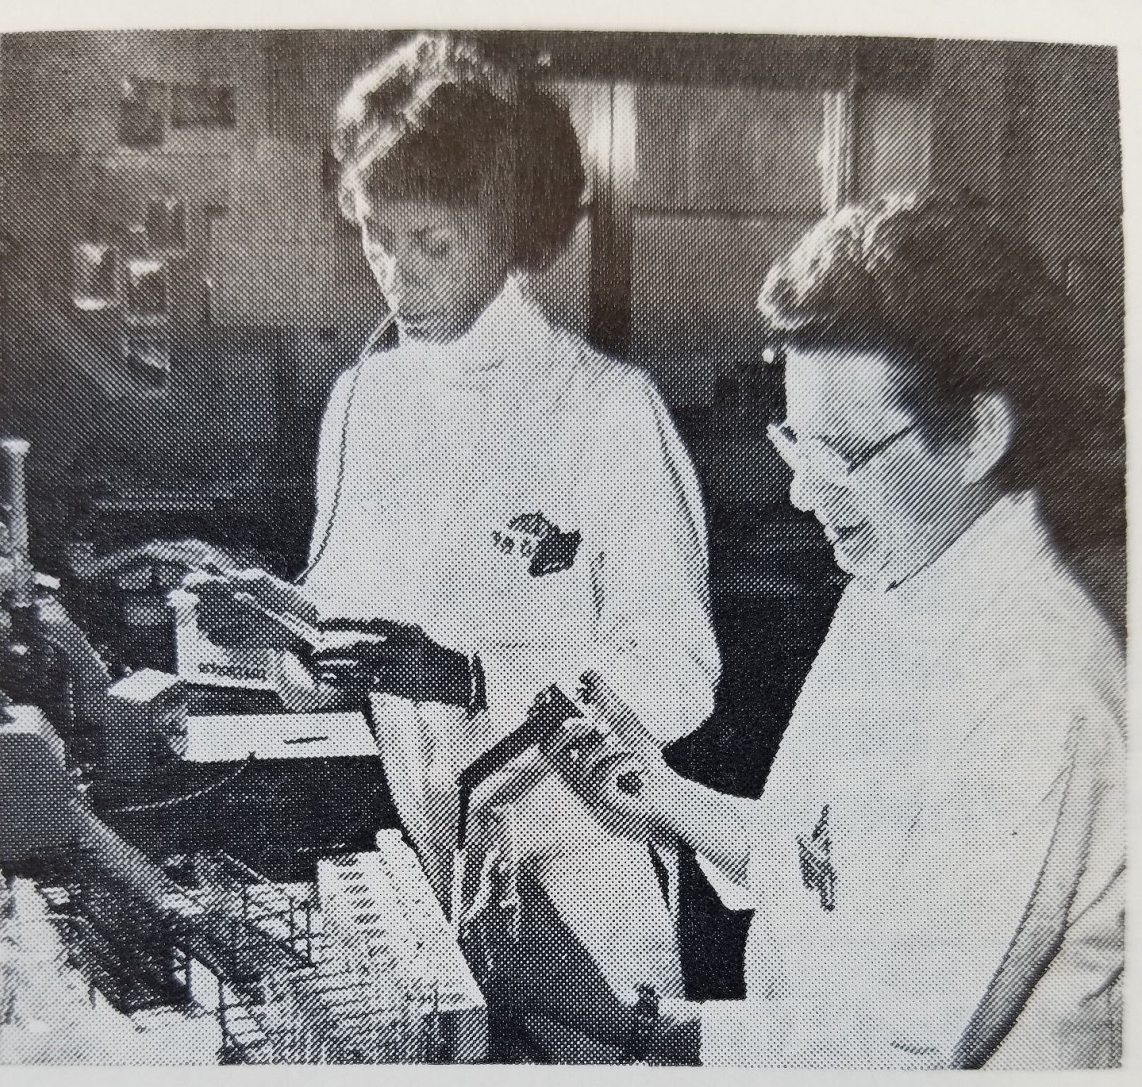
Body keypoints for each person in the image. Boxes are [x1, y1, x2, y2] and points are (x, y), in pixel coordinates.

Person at [185, 33, 720, 1058]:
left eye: (432, 244)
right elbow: (341, 647)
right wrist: (282, 628)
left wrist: (477, 674)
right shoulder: (366, 402)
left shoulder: (606, 411)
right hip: (439, 882)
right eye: (378, 241)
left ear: (512, 232)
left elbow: (679, 673)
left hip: (591, 889)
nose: (399, 280)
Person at [539, 192, 1124, 1068]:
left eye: (842, 455)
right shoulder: (897, 571)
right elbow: (821, 858)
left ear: (978, 437)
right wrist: (661, 797)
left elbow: (905, 1050)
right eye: (794, 445)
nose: (804, 496)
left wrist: (627, 1020)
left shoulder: (1041, 691)